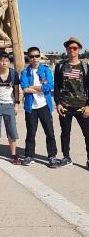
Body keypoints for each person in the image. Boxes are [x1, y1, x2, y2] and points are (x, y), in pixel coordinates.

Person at [20, 46, 60, 168]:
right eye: (32, 56)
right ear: (28, 58)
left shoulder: (46, 70)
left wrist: (35, 88)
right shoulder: (24, 72)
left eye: (37, 56)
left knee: (50, 132)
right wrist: (38, 88)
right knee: (31, 133)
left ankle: (52, 156)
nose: (34, 58)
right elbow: (25, 88)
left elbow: (50, 86)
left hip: (44, 106)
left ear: (40, 57)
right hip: (30, 107)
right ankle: (29, 156)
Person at [54, 37, 89, 169]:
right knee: (65, 133)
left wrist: (88, 106)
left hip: (82, 107)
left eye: (74, 48)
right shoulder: (60, 66)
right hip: (65, 106)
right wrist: (58, 103)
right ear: (66, 49)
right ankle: (66, 157)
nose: (72, 50)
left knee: (87, 134)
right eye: (69, 48)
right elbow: (56, 86)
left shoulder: (85, 67)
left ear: (79, 49)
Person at [0, 53, 21, 165]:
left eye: (6, 60)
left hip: (9, 104)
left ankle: (14, 154)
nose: (4, 63)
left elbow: (16, 89)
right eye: (1, 60)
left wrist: (17, 104)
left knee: (11, 130)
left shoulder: (13, 73)